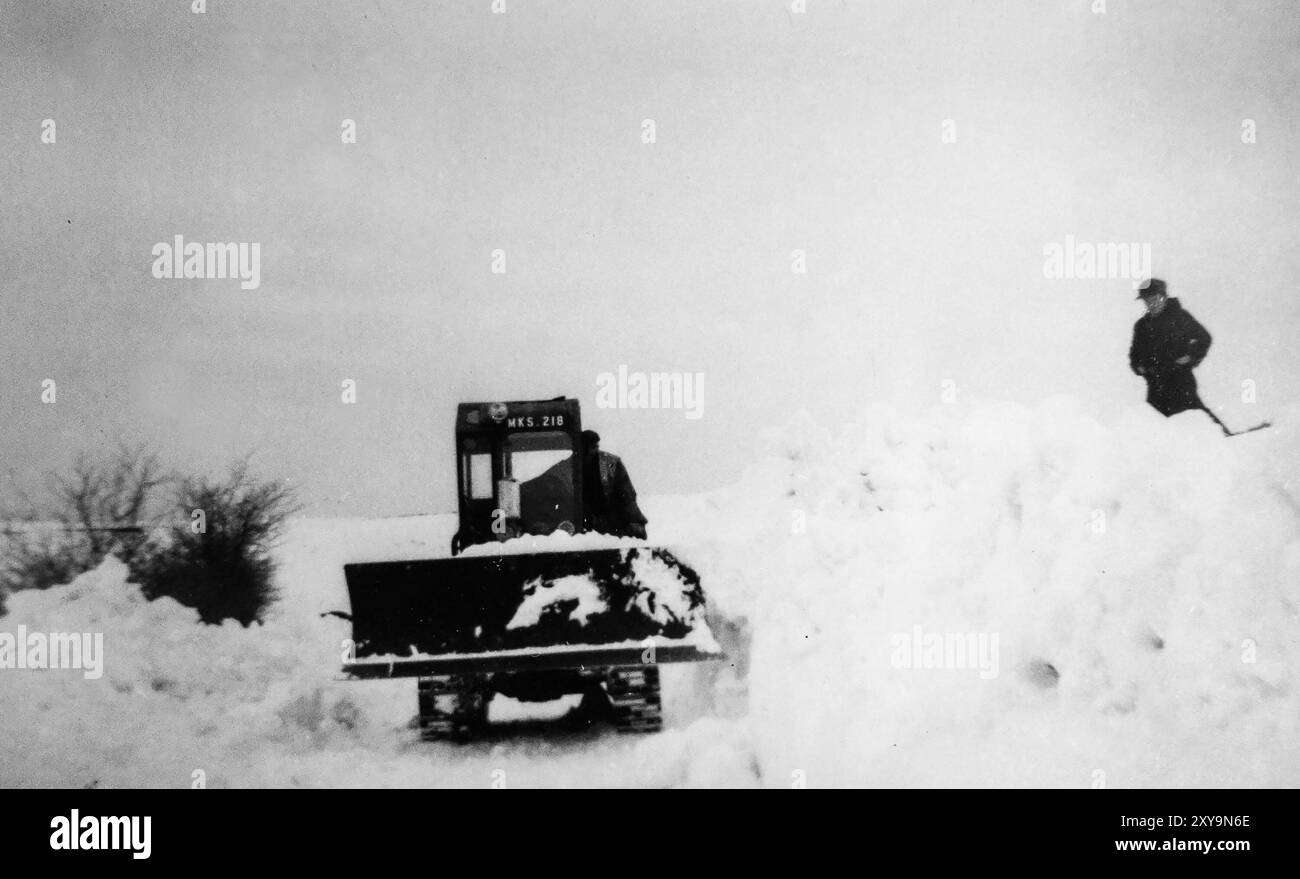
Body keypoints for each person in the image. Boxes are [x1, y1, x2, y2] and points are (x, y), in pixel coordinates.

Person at [1128, 278, 1214, 419]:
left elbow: (1204, 338)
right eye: (1147, 300)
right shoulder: (1142, 326)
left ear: (1164, 296)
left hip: (1180, 379)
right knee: (1158, 425)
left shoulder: (1179, 317)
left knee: (1194, 417)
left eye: (1155, 298)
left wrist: (1190, 356)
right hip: (1155, 384)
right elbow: (1134, 354)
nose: (1152, 304)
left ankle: (1226, 438)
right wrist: (1138, 366)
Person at [580, 429, 648, 539]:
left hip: (610, 522)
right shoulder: (569, 466)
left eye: (595, 446)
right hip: (583, 523)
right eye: (589, 447)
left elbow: (627, 496)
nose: (592, 451)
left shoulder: (611, 464)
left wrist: (635, 522)